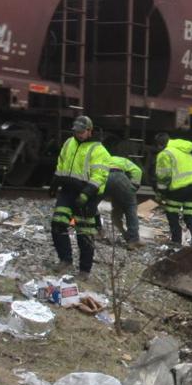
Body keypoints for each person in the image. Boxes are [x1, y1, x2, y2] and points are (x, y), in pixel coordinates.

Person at [50, 115, 111, 278]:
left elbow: (100, 176)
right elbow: (61, 164)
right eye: (76, 131)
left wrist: (86, 194)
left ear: (90, 131)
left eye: (82, 132)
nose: (78, 134)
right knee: (57, 223)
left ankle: (84, 270)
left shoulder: (99, 150)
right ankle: (65, 259)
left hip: (88, 194)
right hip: (68, 190)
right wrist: (55, 182)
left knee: (84, 232)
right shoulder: (69, 143)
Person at [153, 132, 192, 247]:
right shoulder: (184, 150)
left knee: (171, 212)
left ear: (160, 145)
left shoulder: (165, 154)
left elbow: (163, 177)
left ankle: (176, 240)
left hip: (179, 187)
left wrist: (160, 195)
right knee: (190, 212)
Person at [104, 152, 144, 249]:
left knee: (115, 209)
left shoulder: (102, 159)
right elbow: (138, 171)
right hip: (119, 177)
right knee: (130, 206)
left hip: (103, 177)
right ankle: (133, 240)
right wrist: (134, 187)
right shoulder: (122, 160)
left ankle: (97, 232)